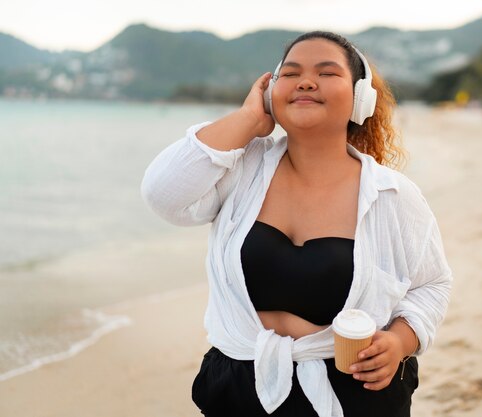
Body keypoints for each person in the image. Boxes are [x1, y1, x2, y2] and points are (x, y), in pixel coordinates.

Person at [141, 31, 452, 417]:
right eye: (290, 74)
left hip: (354, 391)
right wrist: (249, 118)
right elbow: (163, 195)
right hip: (240, 385)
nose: (306, 81)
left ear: (360, 98)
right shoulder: (242, 168)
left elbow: (432, 284)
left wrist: (399, 343)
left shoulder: (392, 195)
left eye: (327, 72)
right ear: (271, 91)